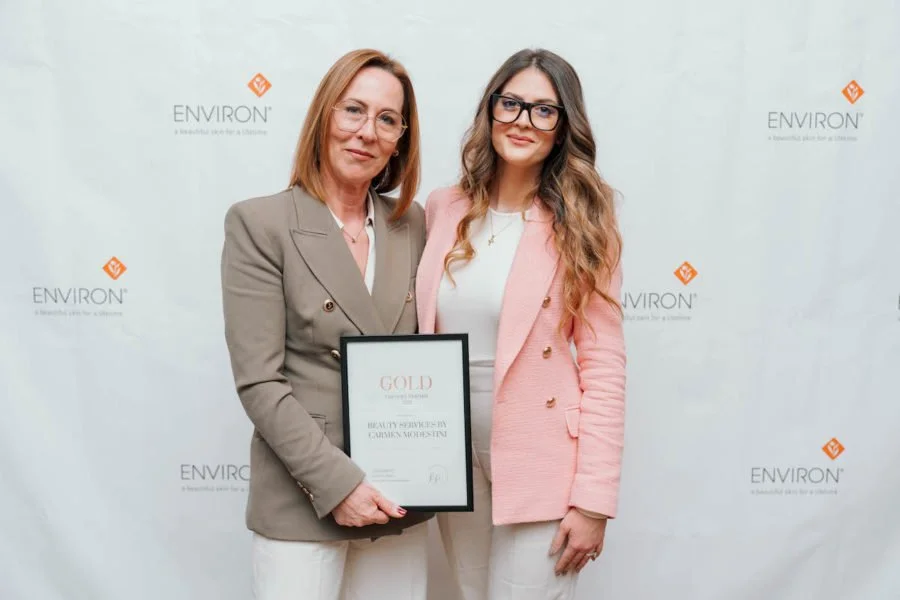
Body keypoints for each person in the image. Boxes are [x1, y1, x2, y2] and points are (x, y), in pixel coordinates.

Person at [415, 48, 626, 599]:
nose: (522, 121)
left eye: (543, 110)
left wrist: (594, 499)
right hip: (449, 450)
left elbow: (604, 367)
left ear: (563, 127)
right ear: (490, 111)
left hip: (542, 452)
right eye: (510, 104)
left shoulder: (585, 222)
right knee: (469, 590)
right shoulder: (444, 207)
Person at [221, 49, 429, 600]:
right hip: (301, 500)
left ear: (401, 138)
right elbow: (259, 381)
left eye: (387, 119)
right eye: (353, 110)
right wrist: (340, 484)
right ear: (324, 116)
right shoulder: (260, 223)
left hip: (398, 497)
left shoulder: (413, 226)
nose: (367, 131)